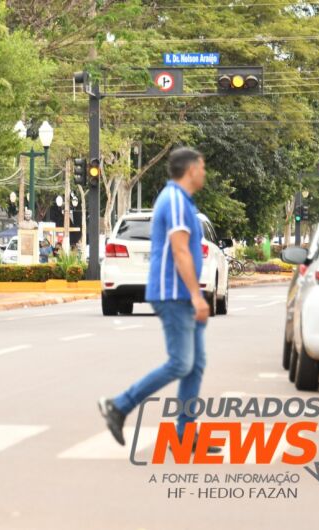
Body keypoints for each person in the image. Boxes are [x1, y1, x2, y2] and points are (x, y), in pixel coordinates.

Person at [97, 147, 220, 454]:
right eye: (202, 167)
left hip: (179, 293)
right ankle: (119, 405)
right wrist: (197, 295)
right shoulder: (176, 201)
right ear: (191, 169)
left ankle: (185, 433)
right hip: (173, 293)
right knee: (181, 362)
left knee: (195, 364)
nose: (204, 172)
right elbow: (179, 251)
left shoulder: (180, 201)